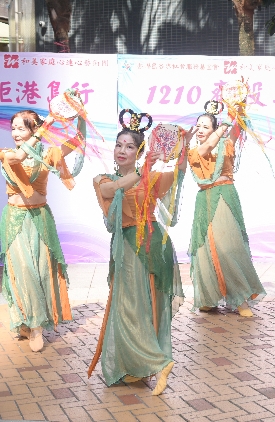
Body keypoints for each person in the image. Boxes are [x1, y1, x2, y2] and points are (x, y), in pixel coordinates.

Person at [88, 110, 185, 395]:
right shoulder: (102, 178)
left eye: (130, 146)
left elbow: (177, 177)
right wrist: (142, 172)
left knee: (149, 307)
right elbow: (111, 190)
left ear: (139, 151)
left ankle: (155, 362)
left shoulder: (151, 177)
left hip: (153, 246)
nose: (122, 150)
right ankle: (143, 365)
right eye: (119, 145)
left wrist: (182, 149)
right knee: (131, 310)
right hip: (127, 247)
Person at [1, 110, 81, 352]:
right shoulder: (6, 154)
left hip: (40, 218)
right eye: (13, 128)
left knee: (42, 271)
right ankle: (31, 323)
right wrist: (46, 125)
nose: (15, 133)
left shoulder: (47, 154)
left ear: (33, 131)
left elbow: (77, 142)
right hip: (15, 220)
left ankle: (35, 324)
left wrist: (79, 116)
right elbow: (19, 156)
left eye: (21, 128)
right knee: (23, 270)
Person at [187, 101, 265, 316]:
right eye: (198, 126)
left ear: (213, 129)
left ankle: (240, 298)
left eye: (205, 126)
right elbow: (208, 147)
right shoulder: (194, 152)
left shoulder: (226, 144)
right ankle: (208, 297)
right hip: (205, 200)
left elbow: (235, 130)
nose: (200, 130)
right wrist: (224, 126)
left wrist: (237, 108)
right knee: (205, 249)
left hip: (224, 196)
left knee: (229, 247)